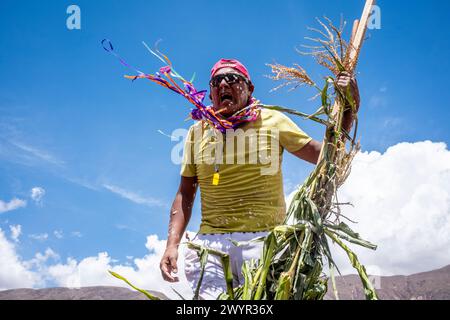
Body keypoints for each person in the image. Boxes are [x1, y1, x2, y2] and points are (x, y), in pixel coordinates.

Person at [160, 58, 360, 299]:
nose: (224, 84)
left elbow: (328, 157)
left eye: (233, 79)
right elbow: (185, 193)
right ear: (211, 93)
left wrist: (349, 107)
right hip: (210, 245)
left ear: (250, 88)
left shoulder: (272, 120)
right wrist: (172, 243)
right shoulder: (197, 131)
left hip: (264, 243)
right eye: (217, 81)